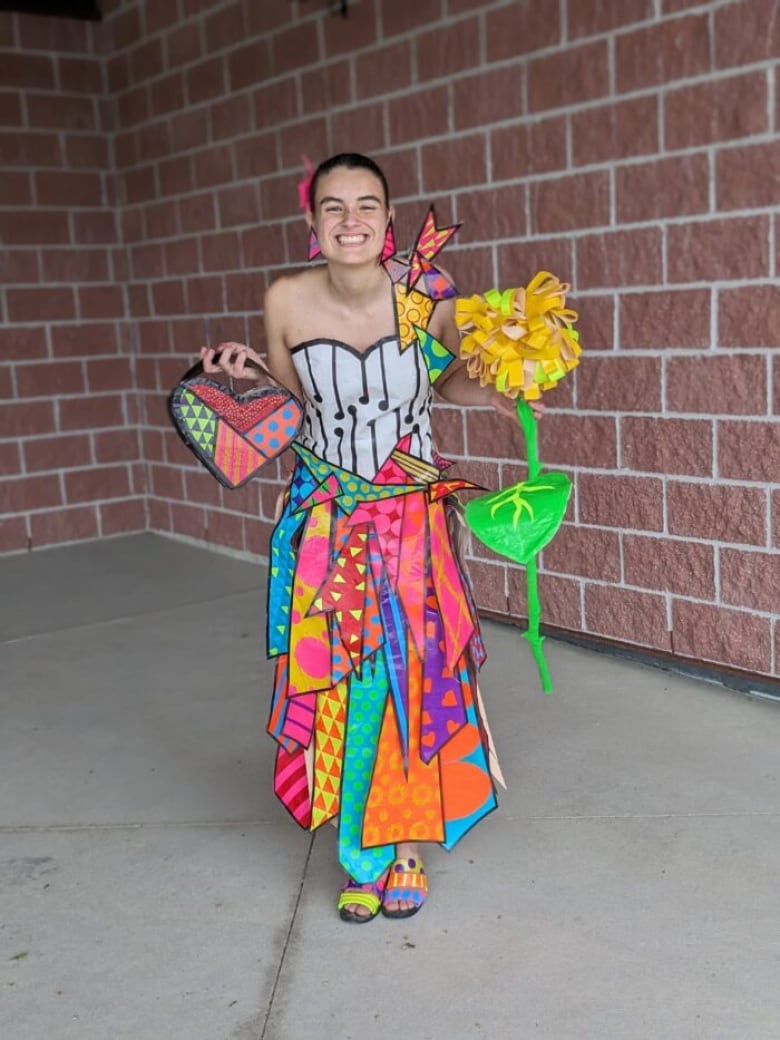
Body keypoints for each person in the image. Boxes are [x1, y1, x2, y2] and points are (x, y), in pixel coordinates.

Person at [201, 153, 543, 923]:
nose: (350, 220)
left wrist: (500, 384)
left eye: (366, 206)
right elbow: (292, 401)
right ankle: (360, 853)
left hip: (412, 516)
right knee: (349, 686)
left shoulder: (426, 291)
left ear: (389, 222)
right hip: (327, 517)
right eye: (333, 207)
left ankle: (407, 845)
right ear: (312, 225)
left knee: (413, 679)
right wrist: (244, 378)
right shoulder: (285, 299)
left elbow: (447, 378)